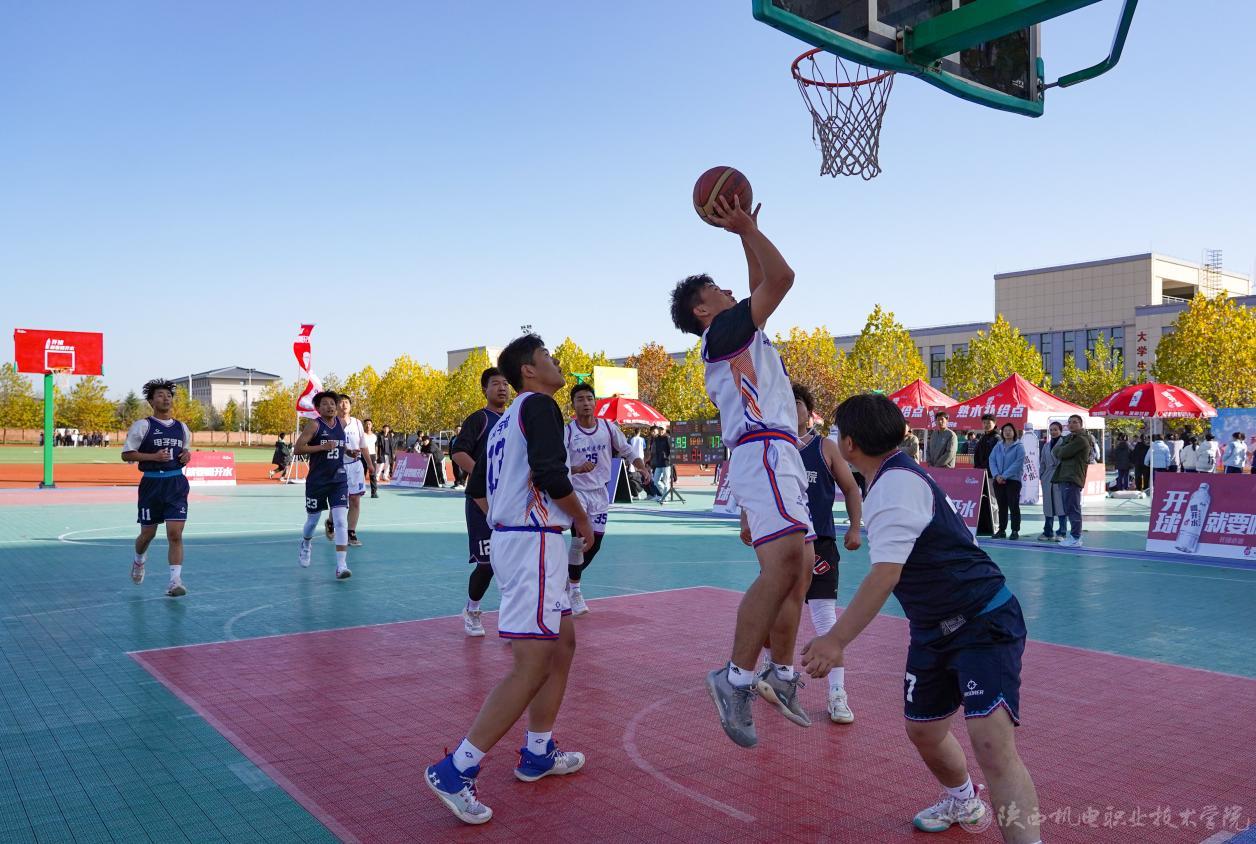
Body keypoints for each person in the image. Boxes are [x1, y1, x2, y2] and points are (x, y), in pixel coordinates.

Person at [802, 394, 1042, 843]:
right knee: (924, 730)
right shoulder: (891, 478)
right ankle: (962, 799)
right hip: (934, 627)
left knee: (992, 745)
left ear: (849, 444)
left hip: (981, 619)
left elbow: (884, 576)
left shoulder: (894, 486)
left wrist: (835, 640)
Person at [424, 335, 593, 826]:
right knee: (531, 665)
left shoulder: (502, 423)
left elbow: (477, 487)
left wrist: (503, 521)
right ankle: (456, 768)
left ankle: (538, 751)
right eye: (549, 357)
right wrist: (580, 518)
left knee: (562, 645)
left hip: (523, 540)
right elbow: (550, 475)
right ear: (529, 370)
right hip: (533, 542)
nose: (557, 363)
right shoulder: (539, 406)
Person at [669, 194, 814, 748]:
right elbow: (781, 278)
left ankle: (782, 673)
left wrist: (743, 234)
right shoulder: (726, 330)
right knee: (784, 566)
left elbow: (757, 282)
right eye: (716, 289)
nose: (730, 290)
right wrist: (749, 231)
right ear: (703, 311)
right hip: (764, 451)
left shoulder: (737, 330)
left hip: (777, 453)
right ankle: (734, 678)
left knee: (799, 569)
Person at [784, 383, 862, 724]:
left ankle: (837, 694)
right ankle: (775, 677)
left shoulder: (825, 447)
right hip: (781, 543)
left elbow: (851, 488)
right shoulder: (773, 446)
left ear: (809, 410)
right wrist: (746, 519)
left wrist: (855, 527)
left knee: (825, 618)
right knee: (775, 616)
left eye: (797, 402)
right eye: (784, 402)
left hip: (820, 544)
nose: (791, 408)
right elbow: (754, 487)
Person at [564, 383, 654, 615]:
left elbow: (628, 451)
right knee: (580, 541)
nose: (586, 403)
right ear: (573, 405)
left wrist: (641, 467)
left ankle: (567, 580)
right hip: (577, 493)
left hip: (600, 492)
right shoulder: (568, 432)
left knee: (595, 545)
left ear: (595, 402)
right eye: (580, 399)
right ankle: (575, 592)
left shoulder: (607, 427)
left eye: (589, 398)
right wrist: (577, 468)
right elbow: (559, 466)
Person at [450, 367, 511, 637]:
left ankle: (512, 619)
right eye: (496, 383)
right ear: (485, 390)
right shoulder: (479, 419)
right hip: (481, 500)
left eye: (506, 383)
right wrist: (484, 474)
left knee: (512, 562)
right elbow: (458, 452)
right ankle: (472, 609)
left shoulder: (515, 419)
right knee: (486, 564)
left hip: (510, 501)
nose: (502, 388)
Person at [122, 378, 193, 598]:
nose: (166, 399)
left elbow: (185, 452)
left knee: (175, 534)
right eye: (160, 395)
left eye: (169, 395)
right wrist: (153, 457)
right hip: (151, 484)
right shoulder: (142, 426)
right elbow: (126, 454)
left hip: (176, 483)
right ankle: (139, 560)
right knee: (147, 534)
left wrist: (187, 456)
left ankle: (175, 581)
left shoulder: (182, 428)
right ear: (151, 401)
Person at [295, 390, 352, 579]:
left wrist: (348, 452)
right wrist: (321, 447)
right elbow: (297, 449)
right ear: (318, 408)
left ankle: (341, 566)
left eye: (333, 404)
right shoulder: (314, 425)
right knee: (312, 521)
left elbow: (339, 445)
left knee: (341, 521)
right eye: (325, 404)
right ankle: (306, 543)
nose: (330, 407)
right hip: (317, 481)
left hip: (338, 480)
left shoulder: (341, 423)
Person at [325, 395, 374, 547]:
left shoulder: (357, 423)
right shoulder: (331, 423)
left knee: (355, 500)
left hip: (355, 466)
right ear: (336, 406)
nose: (344, 405)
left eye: (346, 402)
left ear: (350, 406)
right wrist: (346, 451)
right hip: (338, 466)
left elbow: (363, 445)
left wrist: (370, 464)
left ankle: (351, 533)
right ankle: (331, 522)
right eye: (340, 402)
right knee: (340, 501)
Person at [1052, 415, 1094, 548]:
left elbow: (1061, 453)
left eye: (1075, 422)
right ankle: (1074, 536)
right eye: (1069, 422)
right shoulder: (1071, 438)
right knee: (1069, 507)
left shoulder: (1081, 439)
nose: (1071, 424)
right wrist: (1061, 449)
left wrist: (1062, 449)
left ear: (1081, 424)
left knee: (1072, 508)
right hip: (1066, 476)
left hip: (1072, 477)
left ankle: (1076, 537)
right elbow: (1056, 450)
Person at [989, 424, 1025, 541]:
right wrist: (996, 475)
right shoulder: (998, 445)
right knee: (1002, 506)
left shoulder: (1019, 446)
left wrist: (1004, 476)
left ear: (1014, 432)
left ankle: (1015, 530)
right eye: (1005, 430)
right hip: (998, 480)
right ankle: (1002, 530)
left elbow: (1018, 463)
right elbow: (992, 460)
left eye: (1010, 430)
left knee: (1013, 506)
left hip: (1013, 481)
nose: (1007, 432)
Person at [1036, 421, 1067, 541]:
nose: (1053, 432)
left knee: (1061, 506)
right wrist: (1042, 475)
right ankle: (1048, 532)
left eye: (1055, 429)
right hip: (1047, 477)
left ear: (1060, 431)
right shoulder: (1046, 445)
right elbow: (1042, 462)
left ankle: (1062, 532)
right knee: (1048, 506)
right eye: (1051, 430)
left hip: (1060, 476)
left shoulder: (1065, 444)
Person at [973, 414, 1000, 534]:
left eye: (989, 422)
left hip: (991, 474)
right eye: (984, 422)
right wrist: (977, 469)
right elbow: (977, 456)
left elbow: (993, 458)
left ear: (994, 424)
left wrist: (983, 468)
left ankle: (996, 527)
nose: (986, 425)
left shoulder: (997, 439)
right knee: (982, 501)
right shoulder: (983, 438)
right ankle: (986, 525)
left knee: (993, 501)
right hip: (980, 474)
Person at [648, 425, 671, 503]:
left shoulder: (668, 438)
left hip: (666, 463)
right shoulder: (656, 439)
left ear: (665, 430)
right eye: (660, 429)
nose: (661, 431)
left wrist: (667, 458)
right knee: (655, 481)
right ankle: (665, 495)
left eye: (662, 429)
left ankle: (665, 497)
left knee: (666, 481)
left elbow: (671, 450)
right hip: (658, 463)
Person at [361, 419, 380, 497]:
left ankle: (374, 492)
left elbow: (376, 447)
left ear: (371, 425)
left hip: (372, 456)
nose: (368, 425)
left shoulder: (375, 436)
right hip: (363, 456)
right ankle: (360, 490)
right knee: (362, 474)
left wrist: (376, 455)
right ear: (364, 425)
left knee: (373, 474)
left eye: (369, 424)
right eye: (366, 424)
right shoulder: (361, 435)